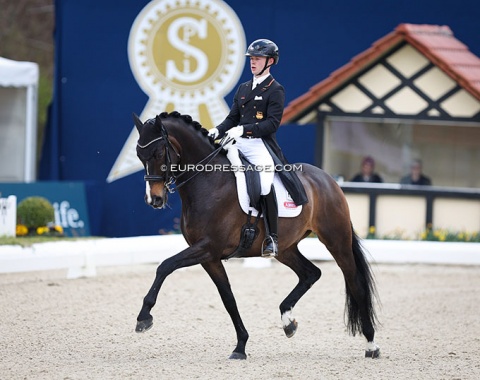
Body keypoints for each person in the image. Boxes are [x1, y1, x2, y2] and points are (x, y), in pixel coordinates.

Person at [208, 38, 307, 258]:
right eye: (252, 59)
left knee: (263, 183)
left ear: (270, 61)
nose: (253, 63)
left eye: (258, 59)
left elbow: (271, 124)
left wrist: (244, 130)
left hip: (260, 144)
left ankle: (272, 237)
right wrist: (217, 130)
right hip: (237, 140)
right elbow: (232, 118)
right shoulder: (243, 88)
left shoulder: (275, 90)